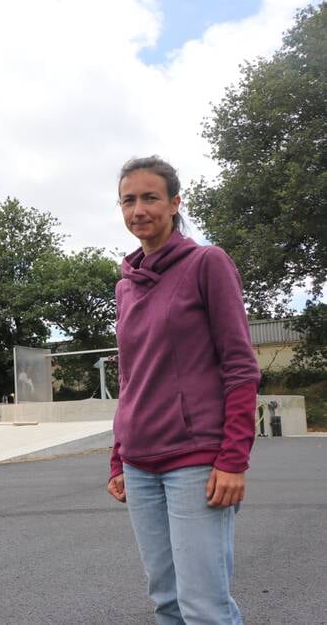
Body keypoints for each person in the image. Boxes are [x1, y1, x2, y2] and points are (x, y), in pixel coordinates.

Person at [106, 156, 260, 625]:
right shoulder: (125, 286)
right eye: (129, 200)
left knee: (204, 606)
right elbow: (131, 378)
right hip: (139, 462)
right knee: (167, 603)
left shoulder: (206, 264)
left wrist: (233, 457)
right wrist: (118, 454)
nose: (139, 210)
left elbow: (239, 366)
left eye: (150, 197)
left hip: (195, 462)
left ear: (175, 203)